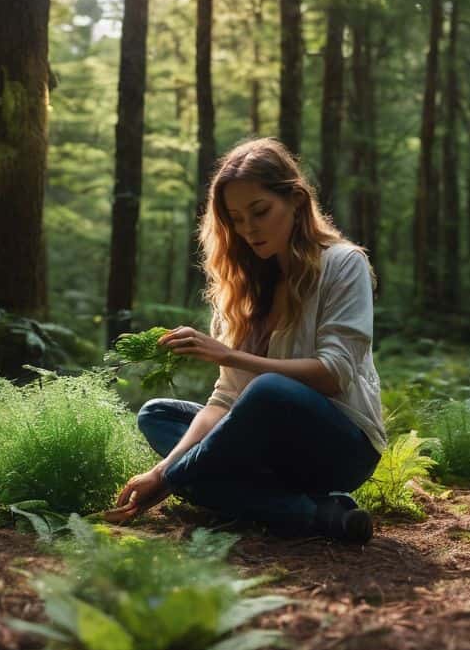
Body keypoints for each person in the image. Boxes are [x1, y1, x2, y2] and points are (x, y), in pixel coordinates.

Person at [102, 137, 386, 543]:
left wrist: (168, 473)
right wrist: (163, 467)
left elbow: (334, 374)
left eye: (260, 211)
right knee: (157, 415)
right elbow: (224, 402)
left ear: (296, 201)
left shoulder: (343, 265)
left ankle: (195, 483)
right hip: (271, 448)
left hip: (340, 447)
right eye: (236, 218)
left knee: (267, 391)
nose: (249, 229)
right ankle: (317, 514)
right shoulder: (243, 285)